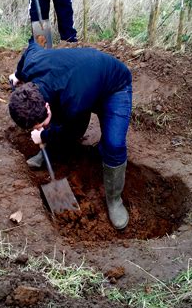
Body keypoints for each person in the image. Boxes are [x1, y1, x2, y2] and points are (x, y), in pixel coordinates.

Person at [8, 40, 132, 229]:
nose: (36, 129)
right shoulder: (32, 62)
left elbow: (72, 130)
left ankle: (114, 200)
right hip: (81, 81)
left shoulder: (73, 103)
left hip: (114, 87)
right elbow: (30, 49)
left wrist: (44, 137)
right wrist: (17, 75)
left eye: (39, 125)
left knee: (113, 145)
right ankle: (49, 151)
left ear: (46, 106)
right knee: (58, 118)